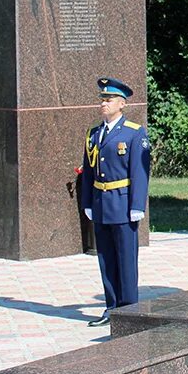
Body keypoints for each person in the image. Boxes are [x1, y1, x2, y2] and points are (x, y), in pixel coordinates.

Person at [80, 77, 150, 327]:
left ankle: (130, 310)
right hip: (101, 203)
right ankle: (111, 308)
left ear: (122, 104)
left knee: (126, 260)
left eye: (108, 100)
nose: (103, 104)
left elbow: (140, 173)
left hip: (123, 204)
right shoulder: (94, 133)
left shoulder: (134, 132)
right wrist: (87, 201)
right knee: (106, 259)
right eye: (102, 99)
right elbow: (89, 170)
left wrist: (137, 205)